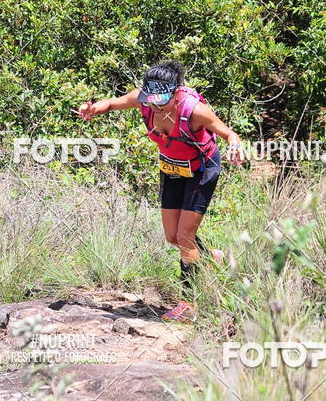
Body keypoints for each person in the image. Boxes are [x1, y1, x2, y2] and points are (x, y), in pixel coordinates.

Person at [78, 59, 245, 321]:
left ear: (176, 91)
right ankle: (214, 257)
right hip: (173, 168)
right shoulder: (144, 100)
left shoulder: (195, 110)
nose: (155, 105)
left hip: (202, 169)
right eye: (151, 99)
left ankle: (189, 305)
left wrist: (235, 145)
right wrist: (92, 109)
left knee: (186, 236)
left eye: (161, 100)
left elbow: (229, 134)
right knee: (173, 236)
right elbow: (111, 103)